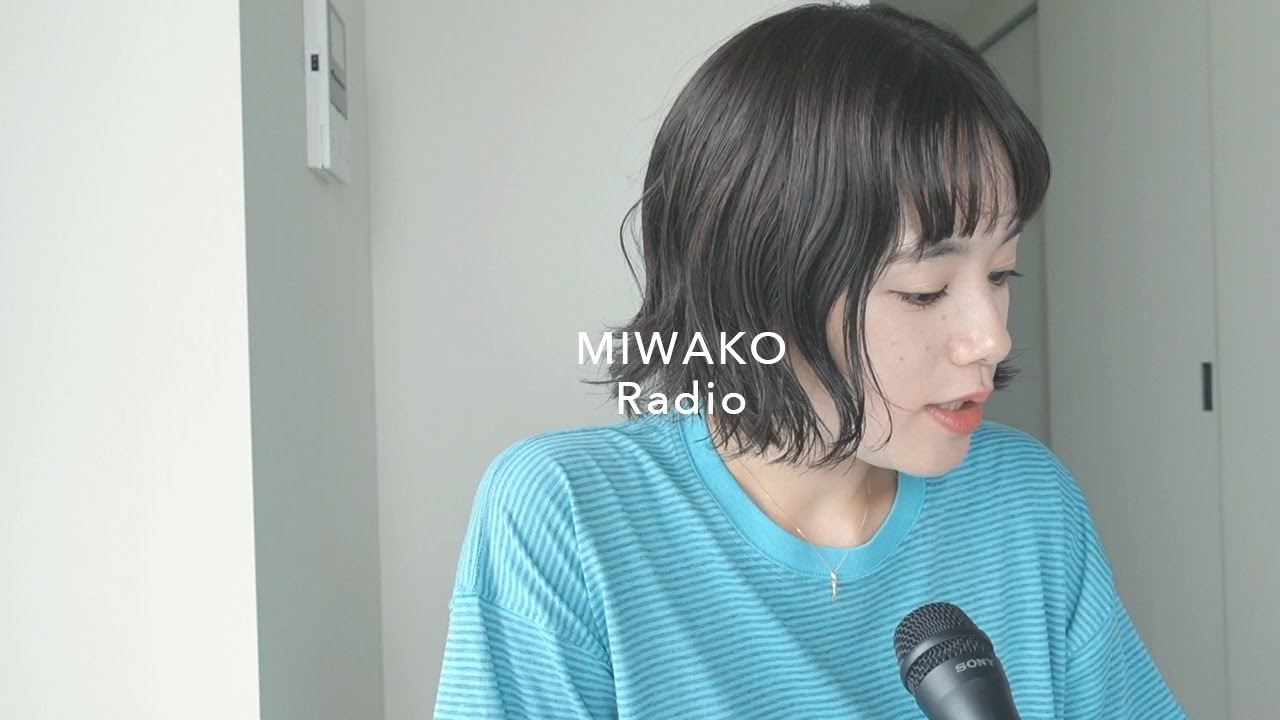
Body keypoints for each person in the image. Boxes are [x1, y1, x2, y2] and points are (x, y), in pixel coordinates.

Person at [433, 3, 1187, 718]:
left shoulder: (1028, 503)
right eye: (925, 291)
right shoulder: (568, 514)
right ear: (757, 285)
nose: (991, 338)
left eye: (1000, 274)